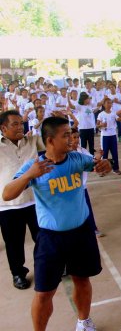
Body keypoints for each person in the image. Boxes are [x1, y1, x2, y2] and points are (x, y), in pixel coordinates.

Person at [3, 116, 111, 331]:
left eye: (71, 134)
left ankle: (84, 321)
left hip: (81, 233)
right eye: (66, 135)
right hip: (51, 239)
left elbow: (100, 166)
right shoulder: (35, 166)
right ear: (50, 140)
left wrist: (104, 165)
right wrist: (29, 176)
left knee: (82, 280)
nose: (71, 139)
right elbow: (7, 194)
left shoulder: (77, 159)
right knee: (44, 292)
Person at [0, 110, 45, 290]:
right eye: (15, 124)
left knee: (42, 238)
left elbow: (52, 140)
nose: (20, 127)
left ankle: (44, 267)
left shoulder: (33, 141)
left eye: (21, 123)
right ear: (3, 128)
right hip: (8, 205)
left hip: (35, 200)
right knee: (13, 242)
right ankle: (18, 273)